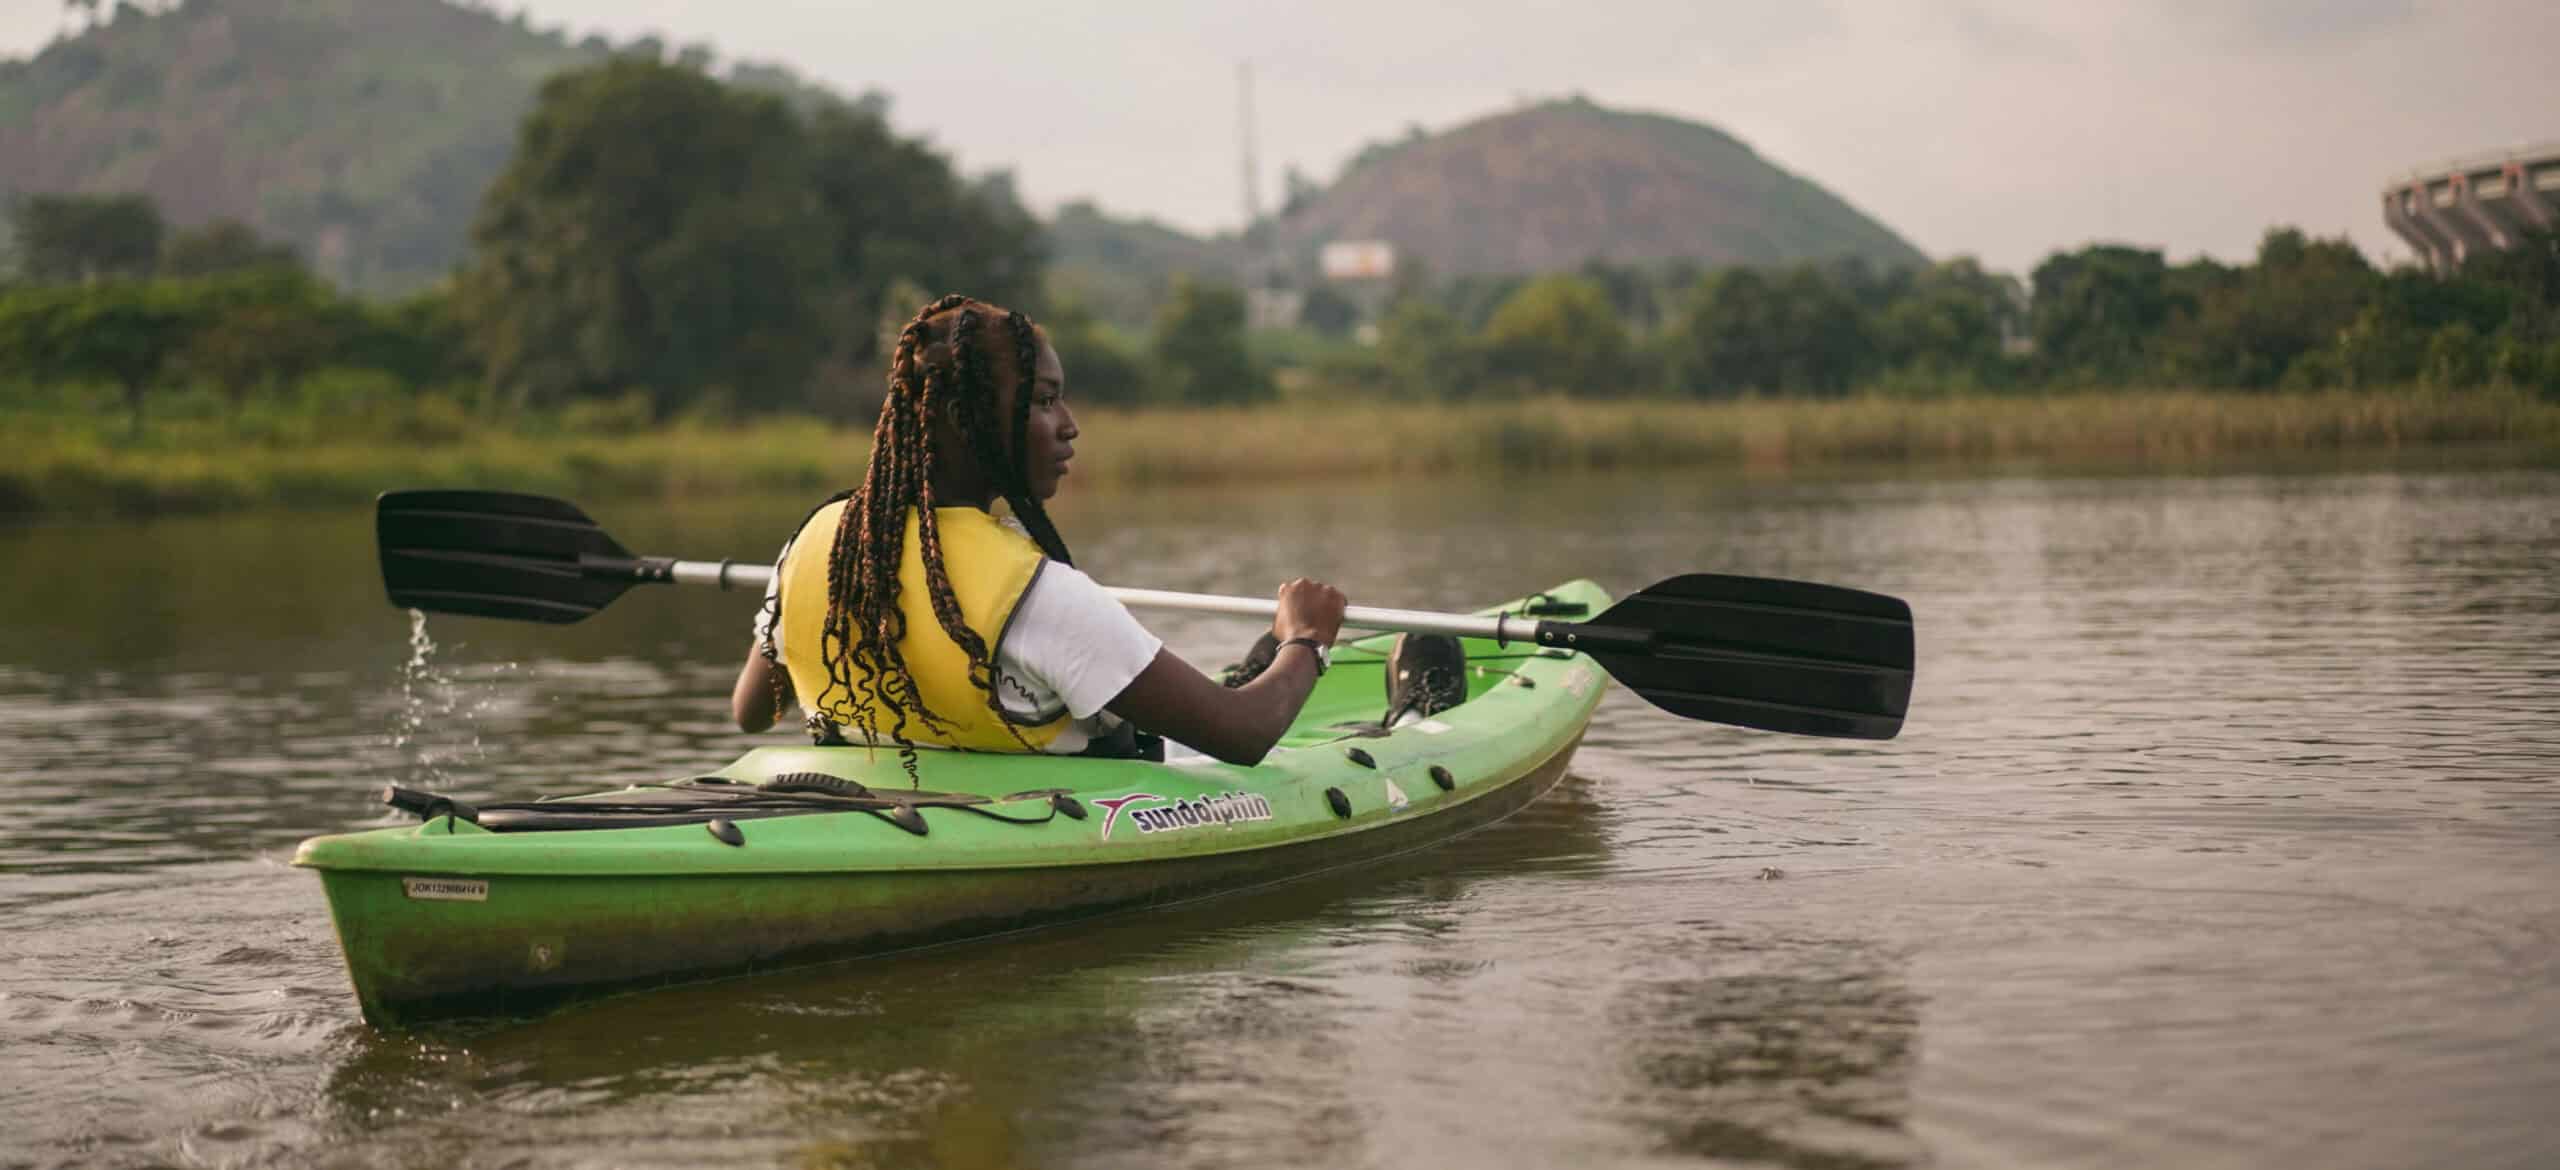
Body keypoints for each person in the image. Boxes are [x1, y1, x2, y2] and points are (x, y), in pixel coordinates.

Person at [730, 294, 1348, 773]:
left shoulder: (818, 541)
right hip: (1071, 802)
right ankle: (1290, 657)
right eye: (1045, 401)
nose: (1069, 426)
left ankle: (1255, 663)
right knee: (1406, 665)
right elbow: (1243, 735)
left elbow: (753, 712)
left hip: (884, 797)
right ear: (960, 419)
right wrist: (1307, 639)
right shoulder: (1037, 594)